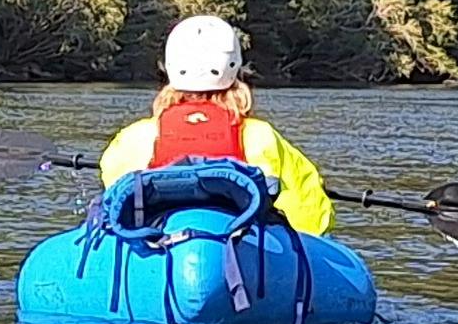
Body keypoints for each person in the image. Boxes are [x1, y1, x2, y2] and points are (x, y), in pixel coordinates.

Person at [99, 15, 334, 234]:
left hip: (157, 246)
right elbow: (312, 216)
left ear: (170, 67)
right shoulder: (260, 136)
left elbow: (113, 195)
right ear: (234, 67)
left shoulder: (137, 137)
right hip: (239, 249)